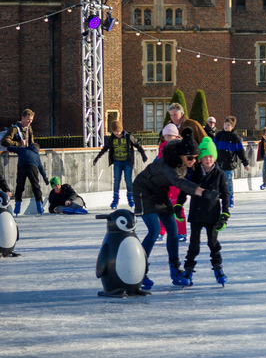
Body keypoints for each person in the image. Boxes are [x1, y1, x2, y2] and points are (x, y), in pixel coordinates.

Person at [132, 128, 209, 289]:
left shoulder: (187, 161)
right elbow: (179, 182)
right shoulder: (167, 162)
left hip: (160, 194)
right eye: (190, 158)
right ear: (181, 154)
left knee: (173, 232)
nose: (193, 161)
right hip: (143, 191)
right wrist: (201, 192)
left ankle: (175, 270)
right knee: (154, 231)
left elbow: (198, 178)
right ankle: (139, 271)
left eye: (195, 158)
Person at [177, 137, 231, 287]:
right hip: (196, 214)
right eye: (205, 156)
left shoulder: (220, 175)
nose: (208, 159)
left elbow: (226, 195)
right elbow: (185, 189)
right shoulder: (194, 174)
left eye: (211, 156)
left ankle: (218, 269)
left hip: (212, 214)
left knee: (213, 243)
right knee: (194, 244)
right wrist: (178, 205)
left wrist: (225, 214)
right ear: (200, 158)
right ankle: (188, 270)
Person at [93, 120, 148, 210]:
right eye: (114, 132)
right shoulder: (111, 139)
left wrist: (143, 155)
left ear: (121, 130)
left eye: (117, 131)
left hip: (127, 162)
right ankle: (115, 200)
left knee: (128, 180)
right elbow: (105, 149)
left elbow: (138, 145)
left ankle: (130, 199)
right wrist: (97, 158)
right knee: (117, 180)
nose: (116, 133)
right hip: (117, 162)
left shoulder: (129, 137)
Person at [214, 116, 249, 209]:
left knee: (227, 181)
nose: (226, 126)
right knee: (217, 180)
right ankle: (217, 196)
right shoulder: (219, 135)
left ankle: (229, 198)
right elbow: (213, 147)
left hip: (229, 164)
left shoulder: (235, 138)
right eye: (225, 124)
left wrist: (245, 162)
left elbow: (241, 151)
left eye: (228, 125)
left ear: (232, 127)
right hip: (219, 163)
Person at [6, 142, 47, 216]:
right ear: (37, 149)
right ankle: (39, 205)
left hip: (22, 167)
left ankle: (17, 205)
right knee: (35, 186)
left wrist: (17, 143)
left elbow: (9, 148)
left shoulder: (22, 149)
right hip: (32, 167)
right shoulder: (36, 154)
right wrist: (45, 178)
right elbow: (41, 167)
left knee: (20, 186)